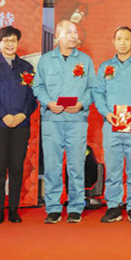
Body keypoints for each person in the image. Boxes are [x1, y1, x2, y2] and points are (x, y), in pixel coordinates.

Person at [33, 20, 96, 224]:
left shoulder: (85, 60)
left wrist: (81, 104)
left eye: (75, 32)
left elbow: (92, 88)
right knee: (52, 165)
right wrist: (48, 102)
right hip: (52, 120)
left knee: (76, 165)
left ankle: (76, 206)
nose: (73, 35)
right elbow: (38, 87)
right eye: (69, 32)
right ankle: (53, 207)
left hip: (77, 119)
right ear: (57, 36)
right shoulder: (46, 60)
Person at [93, 27, 131, 223]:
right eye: (119, 39)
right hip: (112, 125)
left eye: (126, 39)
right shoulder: (105, 67)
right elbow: (98, 93)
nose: (122, 42)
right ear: (113, 41)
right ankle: (113, 206)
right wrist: (106, 113)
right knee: (113, 167)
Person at [0, 26, 37, 223]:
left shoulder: (26, 68)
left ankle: (13, 209)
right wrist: (3, 115)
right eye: (6, 40)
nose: (10, 44)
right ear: (0, 43)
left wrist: (22, 115)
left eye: (13, 40)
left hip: (21, 126)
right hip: (0, 124)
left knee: (16, 167)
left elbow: (32, 97)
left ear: (17, 43)